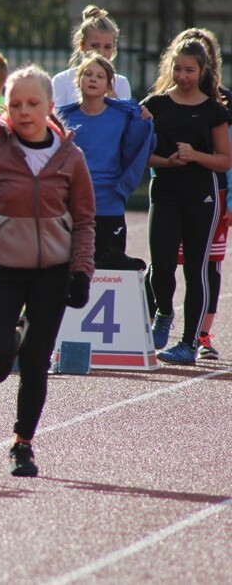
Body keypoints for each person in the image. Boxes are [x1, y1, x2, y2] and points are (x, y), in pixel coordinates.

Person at [0, 65, 96, 477]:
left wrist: (82, 271)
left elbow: (84, 220)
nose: (24, 111)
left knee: (35, 360)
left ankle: (22, 444)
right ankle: (7, 340)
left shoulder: (71, 157)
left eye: (33, 104)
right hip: (6, 267)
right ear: (6, 109)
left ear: (50, 106)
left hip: (54, 271)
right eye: (16, 105)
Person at [142, 37, 231, 365]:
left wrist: (195, 155)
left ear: (203, 70)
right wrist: (165, 162)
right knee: (161, 264)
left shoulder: (214, 110)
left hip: (202, 196)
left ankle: (189, 344)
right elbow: (139, 152)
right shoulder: (155, 105)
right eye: (177, 68)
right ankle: (163, 313)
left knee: (197, 269)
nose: (182, 75)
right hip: (165, 191)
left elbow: (224, 160)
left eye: (190, 70)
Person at [57, 53, 155, 266]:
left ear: (109, 85)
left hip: (109, 202)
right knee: (69, 266)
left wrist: (143, 119)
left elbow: (140, 146)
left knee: (111, 267)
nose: (93, 79)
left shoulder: (124, 115)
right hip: (73, 204)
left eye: (100, 76)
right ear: (78, 80)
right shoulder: (63, 118)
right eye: (88, 74)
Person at [170, 28, 232, 360]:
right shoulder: (166, 99)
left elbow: (229, 153)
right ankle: (158, 323)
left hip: (214, 193)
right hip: (173, 194)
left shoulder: (223, 102)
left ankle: (202, 334)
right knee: (167, 263)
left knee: (208, 266)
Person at [52, 5, 132, 108]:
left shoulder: (121, 83)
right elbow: (55, 120)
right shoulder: (61, 81)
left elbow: (125, 119)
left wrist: (109, 92)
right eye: (95, 46)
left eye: (107, 47)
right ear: (82, 45)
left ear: (113, 49)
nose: (101, 53)